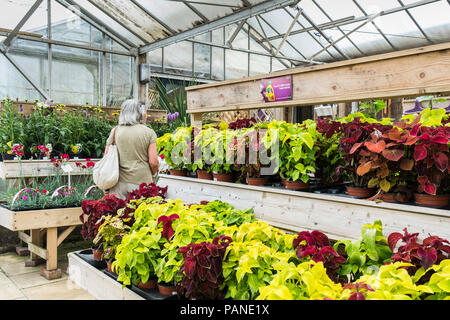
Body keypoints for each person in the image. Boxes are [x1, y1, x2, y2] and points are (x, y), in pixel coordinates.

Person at [104, 99, 159, 199]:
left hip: (119, 183)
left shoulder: (115, 131)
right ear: (140, 113)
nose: (146, 115)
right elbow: (154, 162)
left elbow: (106, 156)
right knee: (140, 213)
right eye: (145, 112)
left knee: (118, 213)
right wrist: (153, 174)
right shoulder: (149, 132)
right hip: (142, 183)